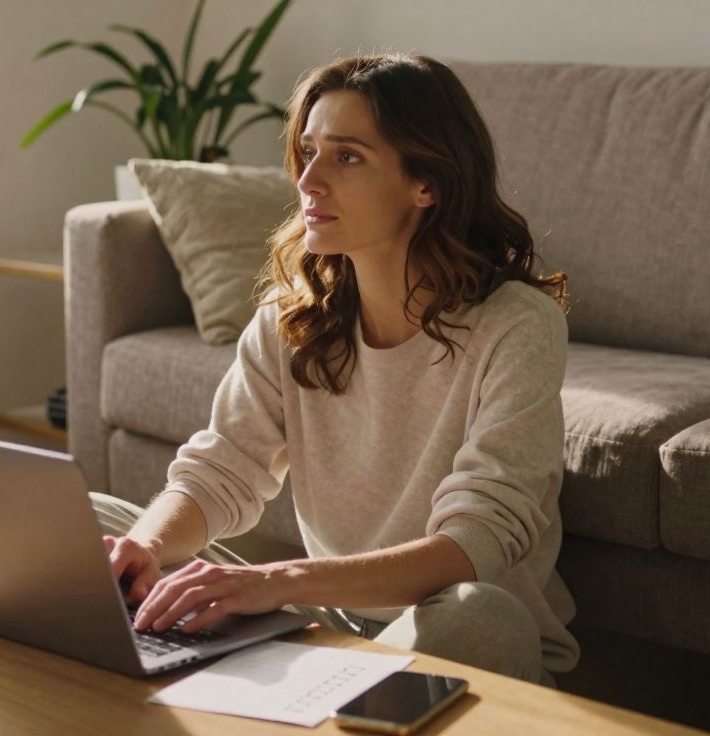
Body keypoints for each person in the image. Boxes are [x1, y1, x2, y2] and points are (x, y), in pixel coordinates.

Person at [92, 53, 580, 685]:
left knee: (475, 614)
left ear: (425, 183)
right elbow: (222, 469)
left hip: (441, 626)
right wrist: (148, 549)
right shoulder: (290, 316)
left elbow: (473, 546)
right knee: (102, 524)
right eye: (308, 150)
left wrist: (271, 581)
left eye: (346, 156)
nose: (309, 180)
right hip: (332, 626)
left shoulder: (517, 324)